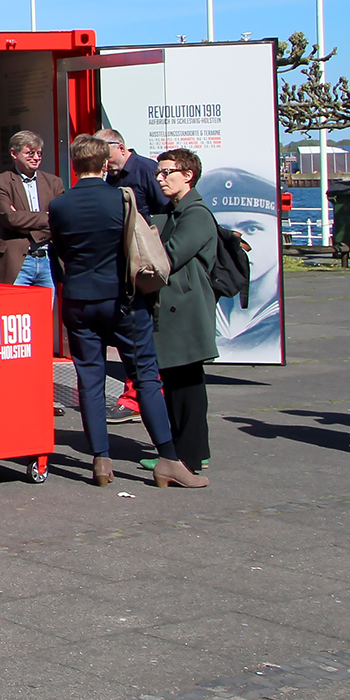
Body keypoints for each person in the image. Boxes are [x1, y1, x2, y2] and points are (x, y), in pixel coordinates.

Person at [47, 134, 206, 488]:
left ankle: (101, 460)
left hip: (78, 299)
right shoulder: (123, 198)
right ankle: (168, 458)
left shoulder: (59, 206)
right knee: (146, 374)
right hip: (122, 298)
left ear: (74, 166)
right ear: (105, 164)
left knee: (90, 379)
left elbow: (58, 255)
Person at [149, 149, 220, 476]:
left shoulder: (196, 213)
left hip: (187, 310)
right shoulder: (178, 211)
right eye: (159, 173)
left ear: (188, 175)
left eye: (167, 172)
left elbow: (172, 256)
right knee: (178, 383)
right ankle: (188, 452)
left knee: (187, 386)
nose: (160, 178)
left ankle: (187, 458)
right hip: (179, 307)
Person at [99, 129, 166, 422]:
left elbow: (165, 213)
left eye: (106, 155)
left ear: (120, 147)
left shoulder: (147, 171)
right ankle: (139, 394)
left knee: (144, 331)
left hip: (147, 263)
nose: (104, 162)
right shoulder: (111, 178)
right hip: (125, 264)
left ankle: (139, 396)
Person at [0, 130, 64, 288]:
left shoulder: (54, 182)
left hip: (47, 259)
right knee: (15, 310)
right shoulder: (0, 182)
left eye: (39, 153)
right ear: (14, 153)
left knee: (46, 310)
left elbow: (61, 219)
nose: (36, 158)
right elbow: (9, 218)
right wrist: (47, 217)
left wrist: (24, 219)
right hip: (16, 261)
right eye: (30, 153)